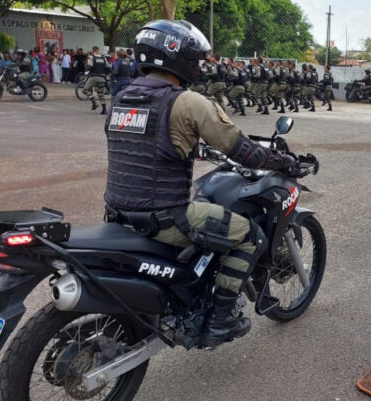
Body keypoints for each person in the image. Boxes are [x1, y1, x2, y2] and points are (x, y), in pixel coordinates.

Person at [106, 19, 296, 346]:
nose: (197, 65)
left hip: (118, 213)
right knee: (250, 235)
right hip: (165, 217)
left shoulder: (122, 98)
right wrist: (282, 161)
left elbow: (146, 148)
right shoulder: (186, 101)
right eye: (194, 59)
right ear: (178, 58)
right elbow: (241, 149)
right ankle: (220, 321)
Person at [83, 46, 111, 114]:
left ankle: (94, 102)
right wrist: (105, 74)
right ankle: (104, 109)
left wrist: (86, 68)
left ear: (93, 51)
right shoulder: (103, 58)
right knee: (100, 93)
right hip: (102, 78)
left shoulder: (92, 57)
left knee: (85, 90)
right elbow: (108, 67)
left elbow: (89, 67)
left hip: (94, 77)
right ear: (98, 50)